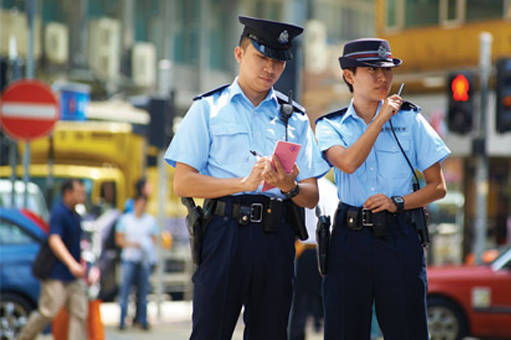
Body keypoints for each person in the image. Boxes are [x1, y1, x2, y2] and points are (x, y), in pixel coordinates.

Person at [165, 15, 329, 340]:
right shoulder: (207, 109)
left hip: (276, 237)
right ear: (239, 54)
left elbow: (311, 195)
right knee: (210, 332)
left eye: (278, 61)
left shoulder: (295, 118)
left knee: (270, 333)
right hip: (224, 234)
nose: (270, 68)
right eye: (262, 57)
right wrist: (242, 184)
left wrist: (289, 186)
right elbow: (183, 182)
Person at [315, 38, 451, 340]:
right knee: (344, 331)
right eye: (372, 70)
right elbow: (348, 163)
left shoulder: (411, 120)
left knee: (408, 330)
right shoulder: (330, 126)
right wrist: (379, 121)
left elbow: (437, 187)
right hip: (349, 240)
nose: (382, 78)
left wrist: (397, 202)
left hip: (400, 236)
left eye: (387, 70)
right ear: (350, 76)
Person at [18, 179, 88, 340]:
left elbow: (75, 246)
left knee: (79, 313)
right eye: (79, 192)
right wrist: (72, 264)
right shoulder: (59, 214)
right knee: (47, 312)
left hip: (73, 276)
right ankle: (24, 337)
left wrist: (81, 266)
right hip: (56, 274)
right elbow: (54, 240)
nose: (82, 196)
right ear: (67, 193)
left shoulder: (75, 215)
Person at [288, 177, 338, 340]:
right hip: (322, 248)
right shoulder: (330, 188)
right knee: (322, 300)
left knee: (299, 301)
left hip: (306, 250)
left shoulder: (303, 187)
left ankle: (296, 334)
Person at [115, 194, 158, 330]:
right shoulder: (125, 220)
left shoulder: (150, 221)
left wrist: (145, 244)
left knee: (143, 292)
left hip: (143, 260)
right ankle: (122, 321)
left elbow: (154, 239)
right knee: (125, 291)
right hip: (129, 258)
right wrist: (135, 244)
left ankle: (142, 320)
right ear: (135, 204)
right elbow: (119, 240)